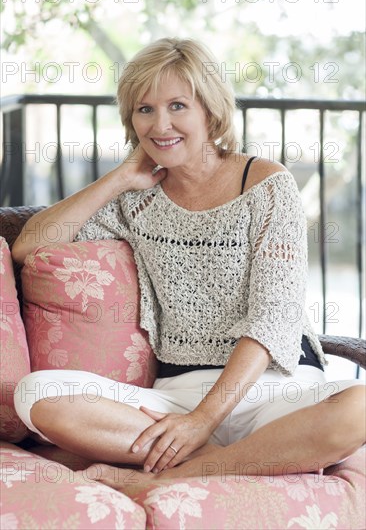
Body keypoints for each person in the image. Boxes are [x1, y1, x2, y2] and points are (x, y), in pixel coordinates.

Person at [13, 38, 365, 488]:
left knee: (361, 406)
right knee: (38, 394)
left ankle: (165, 477)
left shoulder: (267, 186)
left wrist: (202, 420)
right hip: (176, 397)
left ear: (210, 112)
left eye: (178, 105)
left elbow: (272, 320)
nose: (161, 125)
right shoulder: (135, 201)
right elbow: (29, 246)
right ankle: (251, 457)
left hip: (278, 389)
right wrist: (120, 177)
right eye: (145, 110)